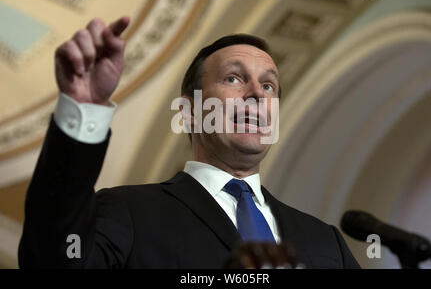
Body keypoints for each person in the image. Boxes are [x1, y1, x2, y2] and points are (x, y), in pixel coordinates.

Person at [18, 16, 360, 269]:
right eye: (234, 78)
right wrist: (83, 109)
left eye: (269, 86)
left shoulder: (325, 241)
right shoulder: (129, 214)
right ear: (189, 111)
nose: (257, 93)